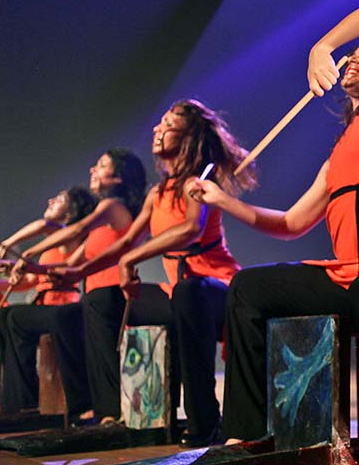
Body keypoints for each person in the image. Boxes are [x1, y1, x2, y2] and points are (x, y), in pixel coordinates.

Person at [192, 0, 359, 465]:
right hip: (351, 278)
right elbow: (292, 223)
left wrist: (323, 45)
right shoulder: (336, 159)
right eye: (348, 54)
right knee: (248, 290)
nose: (351, 59)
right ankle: (246, 432)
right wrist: (223, 201)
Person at [54, 100, 255, 446]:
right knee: (102, 300)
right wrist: (79, 272)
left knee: (189, 293)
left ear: (190, 135)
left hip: (219, 288)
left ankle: (205, 420)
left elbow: (191, 228)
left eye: (169, 123)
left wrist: (131, 260)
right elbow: (128, 242)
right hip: (179, 291)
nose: (157, 129)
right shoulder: (157, 193)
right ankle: (111, 413)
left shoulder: (199, 182)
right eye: (159, 122)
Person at [13, 149, 146, 423]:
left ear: (118, 178)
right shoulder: (100, 223)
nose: (92, 170)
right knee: (78, 326)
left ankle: (107, 410)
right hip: (95, 298)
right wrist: (33, 269)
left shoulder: (112, 207)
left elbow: (74, 230)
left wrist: (27, 253)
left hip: (114, 295)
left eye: (101, 166)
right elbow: (70, 267)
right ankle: (89, 408)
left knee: (83, 323)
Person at [0, 185, 96, 413]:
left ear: (72, 211)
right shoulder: (52, 244)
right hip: (43, 306)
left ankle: (24, 402)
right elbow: (26, 282)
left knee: (13, 317)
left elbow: (67, 264)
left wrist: (9, 244)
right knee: (5, 320)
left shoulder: (72, 236)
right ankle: (17, 402)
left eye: (58, 199)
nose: (50, 201)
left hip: (63, 306)